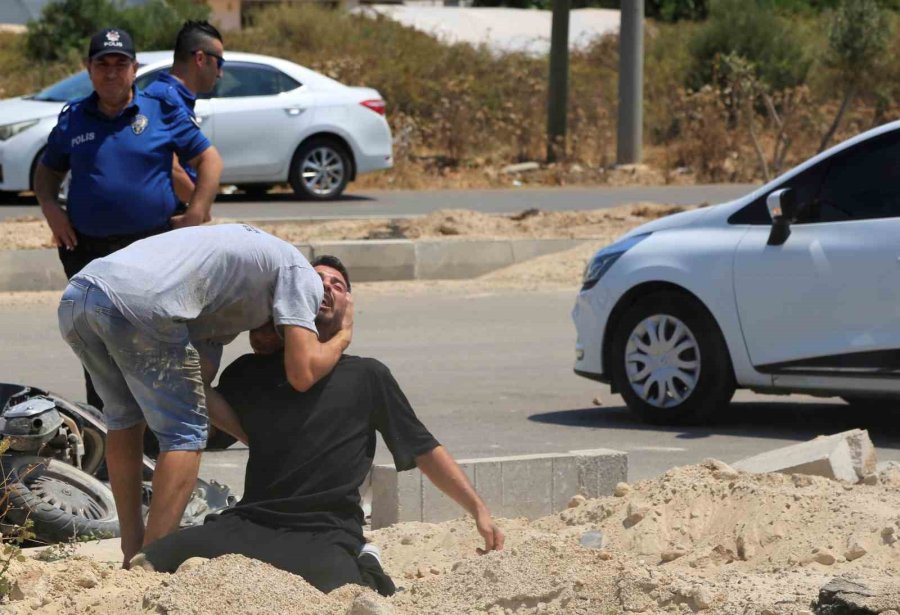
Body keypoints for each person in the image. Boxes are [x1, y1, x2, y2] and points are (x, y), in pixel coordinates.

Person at [134, 255, 505, 594]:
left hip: (325, 531)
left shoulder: (368, 375)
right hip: (248, 523)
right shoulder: (248, 371)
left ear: (348, 306)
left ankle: (366, 559)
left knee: (350, 594)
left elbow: (422, 448)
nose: (326, 287)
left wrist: (478, 510)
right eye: (316, 281)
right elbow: (208, 426)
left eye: (337, 285)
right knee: (150, 563)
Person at [57, 224, 348, 566]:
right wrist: (343, 335)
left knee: (125, 417)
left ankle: (132, 550)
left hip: (78, 298)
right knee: (184, 434)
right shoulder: (302, 275)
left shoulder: (221, 298)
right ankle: (153, 561)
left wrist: (258, 442)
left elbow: (198, 391)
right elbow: (303, 373)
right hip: (136, 303)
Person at [35, 27, 223, 411]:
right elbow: (46, 171)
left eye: (120, 64)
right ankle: (106, 436)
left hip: (150, 251)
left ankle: (155, 438)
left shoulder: (160, 111)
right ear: (88, 69)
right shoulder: (73, 119)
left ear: (134, 68)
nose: (111, 72)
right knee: (97, 347)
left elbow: (209, 160)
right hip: (89, 253)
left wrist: (198, 212)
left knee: (152, 344)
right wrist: (52, 211)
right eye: (102, 64)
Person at [143, 20, 224, 205]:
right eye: (219, 63)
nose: (220, 73)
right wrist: (197, 209)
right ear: (201, 59)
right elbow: (169, 166)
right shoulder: (164, 99)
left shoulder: (173, 95)